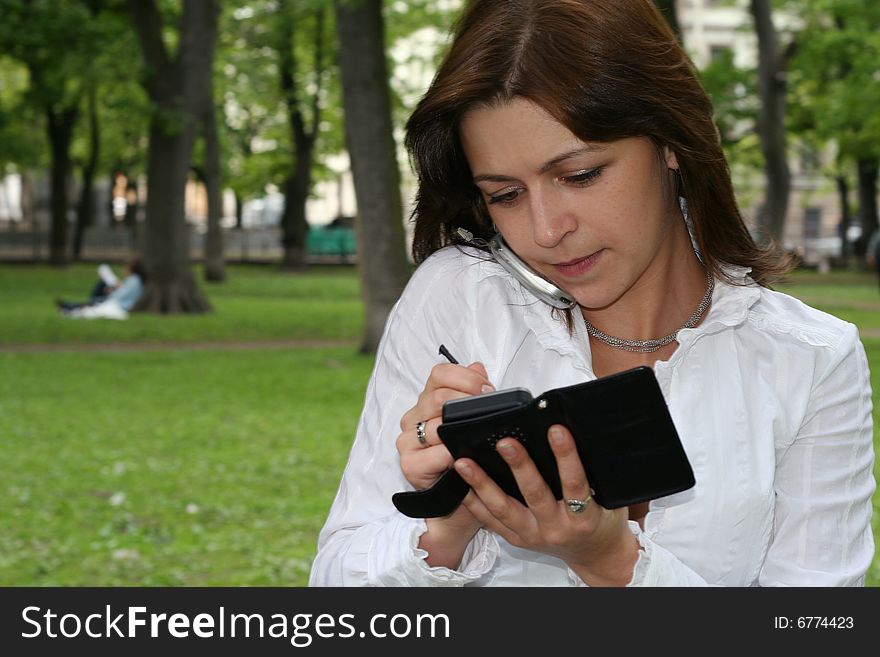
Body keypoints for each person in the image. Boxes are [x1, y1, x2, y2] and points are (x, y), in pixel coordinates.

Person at [310, 0, 875, 586]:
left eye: (579, 176)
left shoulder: (810, 358)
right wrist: (446, 526)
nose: (547, 230)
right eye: (505, 194)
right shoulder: (459, 297)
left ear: (671, 142)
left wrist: (611, 561)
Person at [57, 254, 146, 320]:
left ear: (130, 268)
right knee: (95, 299)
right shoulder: (133, 280)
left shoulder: (134, 280)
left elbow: (122, 295)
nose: (124, 270)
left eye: (125, 267)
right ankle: (69, 306)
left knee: (94, 300)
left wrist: (112, 292)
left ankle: (69, 307)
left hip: (118, 303)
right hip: (116, 301)